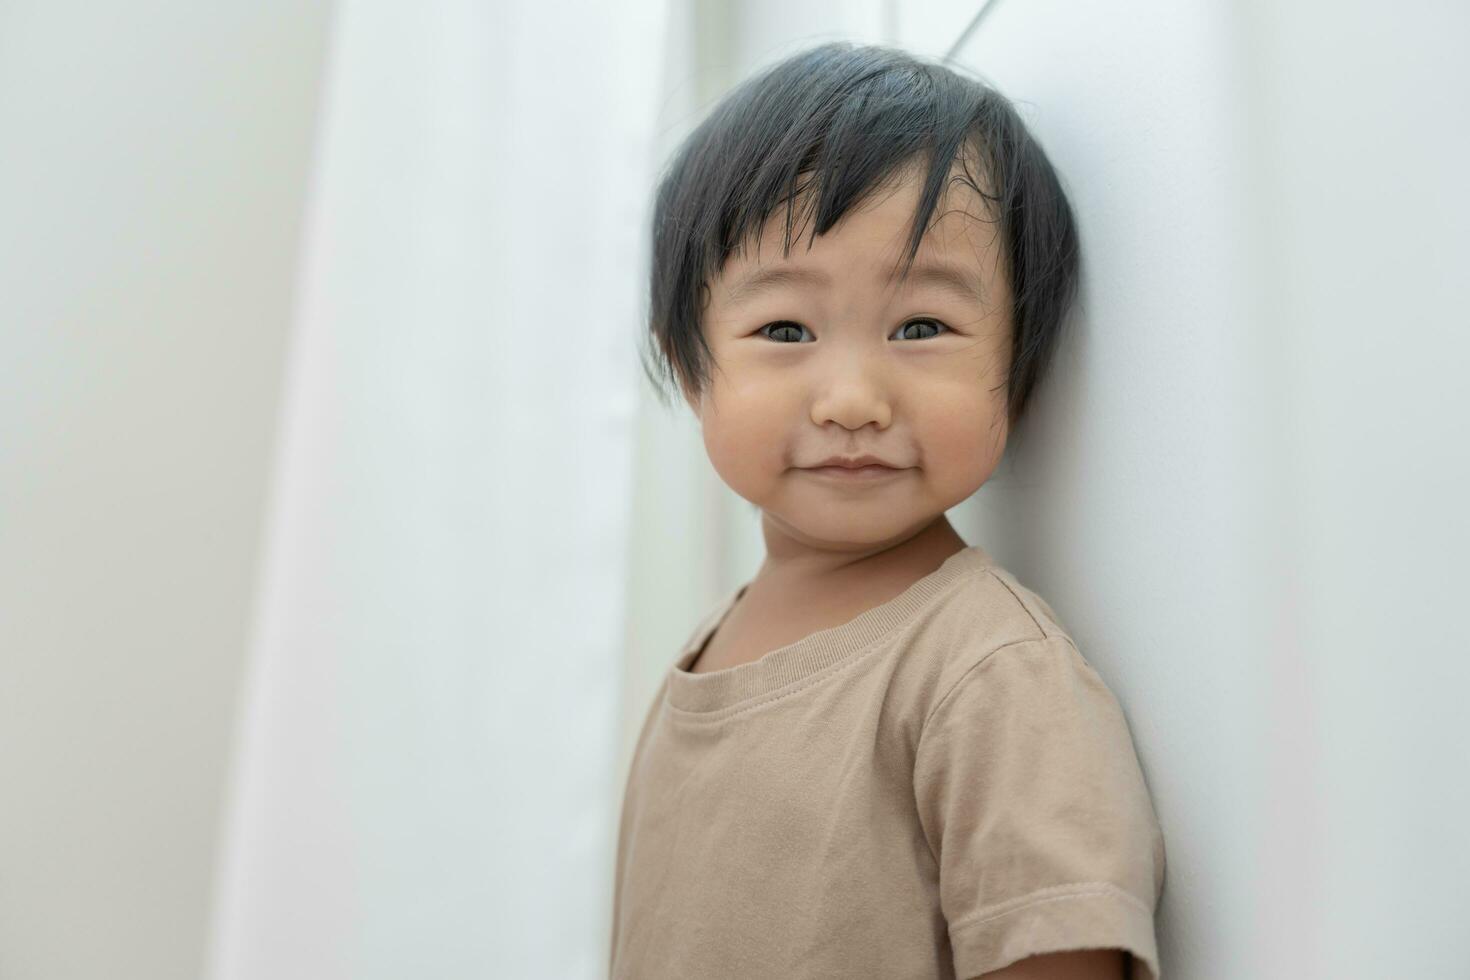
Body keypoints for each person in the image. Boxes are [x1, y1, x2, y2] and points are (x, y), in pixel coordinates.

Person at [611, 41, 1166, 980]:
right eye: (785, 329)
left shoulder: (988, 676)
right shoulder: (706, 652)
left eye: (922, 328)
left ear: (1019, 368)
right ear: (687, 368)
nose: (853, 398)